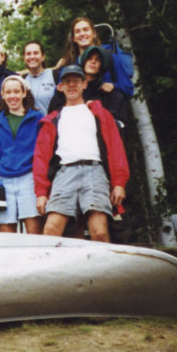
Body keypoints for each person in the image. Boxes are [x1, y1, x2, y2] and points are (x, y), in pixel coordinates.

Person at [33, 65, 129, 242]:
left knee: (99, 231)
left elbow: (116, 149)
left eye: (76, 81)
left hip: (95, 171)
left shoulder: (100, 114)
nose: (71, 85)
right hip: (64, 173)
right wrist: (40, 192)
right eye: (67, 81)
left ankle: (103, 268)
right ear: (60, 87)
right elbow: (40, 158)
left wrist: (119, 183)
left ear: (84, 84)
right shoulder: (52, 119)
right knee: (51, 228)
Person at [0, 75, 44, 234]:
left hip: (29, 178)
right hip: (2, 180)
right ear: (3, 95)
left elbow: (45, 149)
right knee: (6, 230)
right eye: (8, 92)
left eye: (16, 91)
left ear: (24, 93)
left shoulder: (37, 119)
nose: (12, 96)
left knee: (33, 229)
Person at [22, 40, 55, 114]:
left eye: (36, 53)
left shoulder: (54, 75)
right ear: (24, 58)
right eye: (28, 54)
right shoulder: (21, 81)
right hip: (30, 125)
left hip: (52, 124)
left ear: (43, 57)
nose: (32, 56)